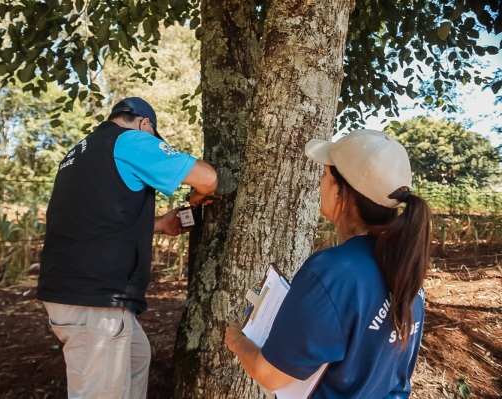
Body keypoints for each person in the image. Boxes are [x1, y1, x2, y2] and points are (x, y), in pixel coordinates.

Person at [225, 129, 432, 398]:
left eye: (325, 174)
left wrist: (238, 342)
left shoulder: (332, 272)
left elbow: (269, 374)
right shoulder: (405, 269)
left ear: (341, 192)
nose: (320, 182)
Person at [38, 97, 218, 399]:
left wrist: (160, 223)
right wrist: (200, 197)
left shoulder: (80, 152)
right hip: (94, 300)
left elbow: (97, 220)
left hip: (73, 292)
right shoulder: (130, 140)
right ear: (144, 123)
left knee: (137, 358)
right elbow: (208, 178)